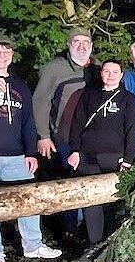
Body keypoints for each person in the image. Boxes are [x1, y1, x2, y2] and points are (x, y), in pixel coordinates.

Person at [0, 35, 62, 262]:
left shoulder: (19, 85)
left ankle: (32, 245)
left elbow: (28, 122)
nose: (2, 55)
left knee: (27, 197)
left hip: (15, 155)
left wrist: (31, 152)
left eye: (6, 51)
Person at [67, 59, 135, 262]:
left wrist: (128, 159)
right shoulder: (89, 95)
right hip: (88, 157)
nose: (110, 75)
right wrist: (75, 151)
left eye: (115, 71)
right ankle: (93, 244)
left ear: (121, 74)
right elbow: (77, 124)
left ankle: (113, 245)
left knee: (116, 202)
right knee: (91, 201)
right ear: (101, 74)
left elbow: (132, 130)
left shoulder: (128, 99)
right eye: (106, 71)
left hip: (115, 158)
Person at [33, 27, 101, 169]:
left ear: (91, 46)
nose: (81, 46)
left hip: (94, 136)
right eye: (76, 41)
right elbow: (40, 102)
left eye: (86, 42)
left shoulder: (99, 68)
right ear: (68, 44)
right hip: (65, 137)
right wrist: (44, 136)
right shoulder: (54, 69)